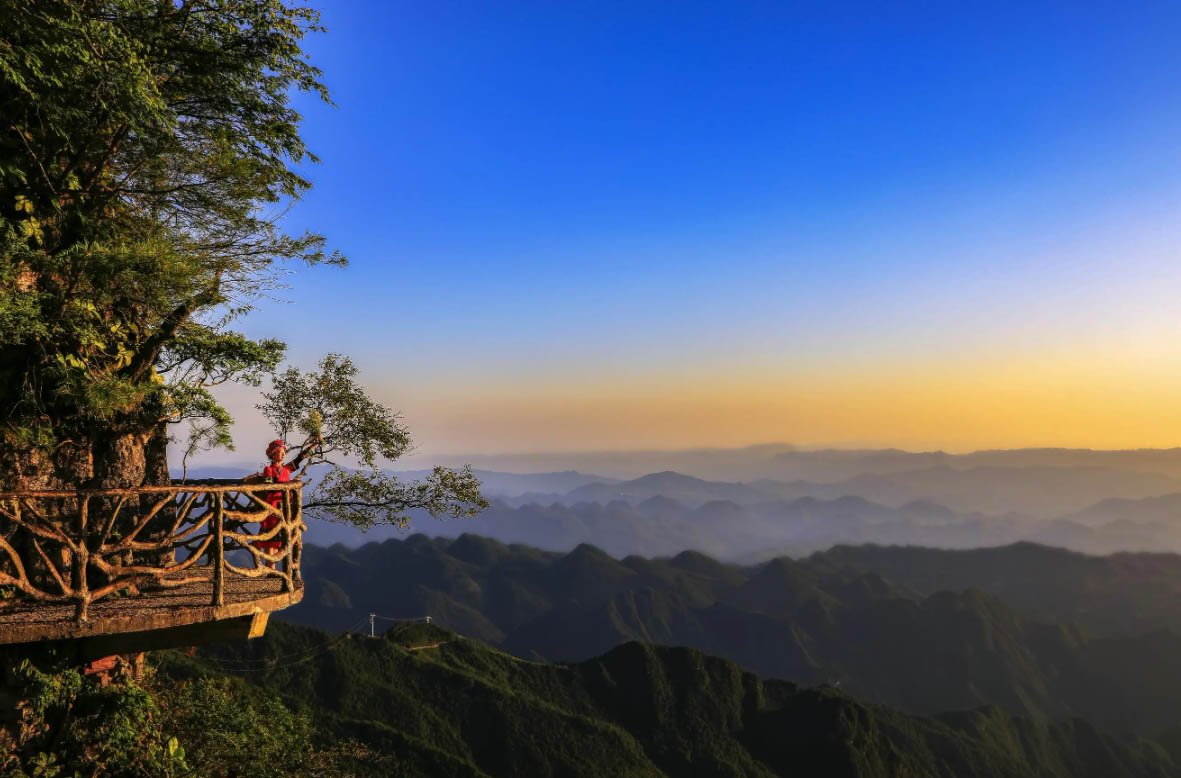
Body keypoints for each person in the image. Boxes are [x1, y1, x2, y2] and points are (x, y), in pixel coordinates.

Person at [245, 438, 315, 568]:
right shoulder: (268, 470)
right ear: (273, 454)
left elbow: (300, 458)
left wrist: (313, 445)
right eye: (280, 452)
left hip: (283, 508)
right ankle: (270, 567)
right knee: (270, 538)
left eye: (283, 452)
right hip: (271, 506)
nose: (283, 455)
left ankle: (272, 567)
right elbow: (267, 486)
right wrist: (283, 487)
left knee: (277, 539)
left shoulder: (287, 469)